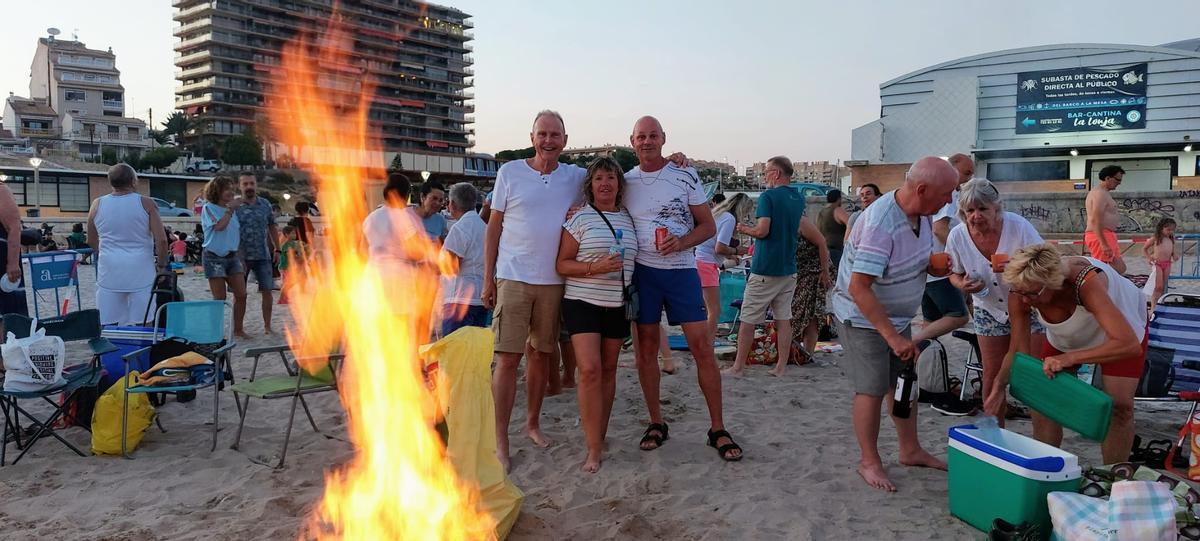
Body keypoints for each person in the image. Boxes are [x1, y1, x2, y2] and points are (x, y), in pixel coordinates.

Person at [830, 156, 957, 491]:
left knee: (902, 384)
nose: (950, 200)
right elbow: (859, 287)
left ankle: (910, 450)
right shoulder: (881, 224)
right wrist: (893, 337)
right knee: (871, 388)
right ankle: (869, 461)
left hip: (896, 317)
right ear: (922, 189)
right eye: (947, 193)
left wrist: (933, 265)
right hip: (862, 318)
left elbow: (903, 260)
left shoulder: (922, 214)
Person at [623, 115, 741, 461]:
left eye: (653, 136)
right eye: (641, 136)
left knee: (702, 347)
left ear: (663, 138)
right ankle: (656, 422)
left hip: (681, 271)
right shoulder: (625, 181)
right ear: (632, 141)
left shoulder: (684, 174)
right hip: (643, 273)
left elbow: (707, 226)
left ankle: (717, 428)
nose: (647, 141)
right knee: (646, 352)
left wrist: (681, 242)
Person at [483, 111, 587, 470]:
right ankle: (501, 438)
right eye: (542, 134)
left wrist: (675, 159)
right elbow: (493, 228)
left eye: (555, 135)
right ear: (532, 137)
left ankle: (532, 424)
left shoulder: (576, 177)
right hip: (512, 276)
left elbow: (618, 181)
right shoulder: (509, 172)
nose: (548, 140)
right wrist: (487, 279)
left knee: (542, 355)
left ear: (565, 140)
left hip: (554, 281)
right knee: (507, 359)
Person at [994, 244, 1148, 464]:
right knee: (1042, 394)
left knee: (1120, 407)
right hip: (1069, 332)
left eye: (1032, 293)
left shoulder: (1085, 283)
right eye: (1020, 292)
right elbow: (1018, 351)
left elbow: (1128, 345)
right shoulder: (1022, 289)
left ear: (1054, 282)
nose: (1025, 300)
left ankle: (1114, 474)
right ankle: (1046, 467)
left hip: (1121, 331)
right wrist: (998, 386)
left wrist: (1070, 358)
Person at [555, 157, 639, 473]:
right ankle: (592, 448)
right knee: (589, 370)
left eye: (611, 178)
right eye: (599, 178)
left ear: (619, 184)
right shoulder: (580, 218)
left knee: (609, 370)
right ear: (590, 185)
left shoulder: (629, 218)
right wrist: (594, 267)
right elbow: (562, 264)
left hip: (617, 304)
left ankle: (599, 435)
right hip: (582, 301)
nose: (605, 183)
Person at [944, 179, 1046, 420]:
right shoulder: (957, 236)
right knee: (991, 372)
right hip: (988, 308)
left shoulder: (1018, 227)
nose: (976, 216)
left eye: (983, 208)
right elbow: (953, 273)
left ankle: (1041, 430)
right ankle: (994, 432)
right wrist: (963, 285)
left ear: (996, 207)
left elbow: (1045, 265)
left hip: (1028, 305)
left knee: (1035, 371)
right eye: (970, 210)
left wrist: (1016, 267)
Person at [725, 156, 829, 377]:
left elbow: (763, 231)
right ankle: (780, 366)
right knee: (784, 319)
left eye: (766, 172)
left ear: (776, 173)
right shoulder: (797, 197)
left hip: (766, 268)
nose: (764, 176)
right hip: (788, 269)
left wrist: (745, 229)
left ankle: (738, 367)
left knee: (748, 318)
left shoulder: (768, 196)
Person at [87, 163, 168, 326]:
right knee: (144, 319)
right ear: (133, 181)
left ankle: (112, 343)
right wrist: (161, 266)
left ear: (111, 182)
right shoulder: (147, 203)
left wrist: (103, 252)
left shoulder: (97, 204)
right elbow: (162, 240)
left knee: (108, 321)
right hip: (141, 269)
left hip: (109, 268)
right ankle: (143, 342)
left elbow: (91, 239)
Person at [696, 193, 749, 343]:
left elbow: (713, 244)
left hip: (699, 261)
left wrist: (731, 255)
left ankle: (703, 341)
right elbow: (719, 248)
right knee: (714, 311)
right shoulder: (730, 219)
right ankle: (708, 344)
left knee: (705, 309)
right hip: (707, 265)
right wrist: (737, 251)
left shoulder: (719, 215)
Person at [234, 172, 279, 337]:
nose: (249, 187)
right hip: (240, 257)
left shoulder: (265, 204)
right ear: (239, 186)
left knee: (267, 291)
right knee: (240, 295)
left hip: (263, 255)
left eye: (251, 183)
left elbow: (272, 226)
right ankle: (238, 329)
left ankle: (267, 326)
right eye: (245, 184)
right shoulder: (234, 206)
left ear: (256, 185)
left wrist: (278, 249)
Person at [440, 182, 487, 336]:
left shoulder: (460, 228)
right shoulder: (484, 227)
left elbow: (452, 267)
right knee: (474, 348)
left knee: (454, 348)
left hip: (459, 300)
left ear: (452, 203)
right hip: (479, 299)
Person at [200, 176, 247, 316]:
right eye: (227, 189)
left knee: (241, 294)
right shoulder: (208, 207)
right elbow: (219, 227)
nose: (231, 192)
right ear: (217, 191)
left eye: (232, 189)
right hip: (213, 257)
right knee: (220, 298)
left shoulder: (234, 210)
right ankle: (216, 327)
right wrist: (230, 210)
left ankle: (238, 327)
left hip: (232, 256)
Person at [1085, 165, 1127, 274]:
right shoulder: (1100, 194)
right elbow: (1095, 220)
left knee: (1120, 268)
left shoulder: (1103, 193)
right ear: (1107, 178)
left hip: (1106, 235)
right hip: (1101, 236)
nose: (1119, 183)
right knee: (1103, 270)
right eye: (1117, 180)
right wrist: (1103, 243)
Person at [0, 178, 27, 317]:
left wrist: (13, 263)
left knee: (6, 313)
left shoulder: (1, 191)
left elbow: (14, 227)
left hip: (3, 261)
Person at [1143, 217, 1178, 312]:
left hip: (1167, 264)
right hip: (1157, 264)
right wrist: (1149, 257)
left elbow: (1172, 251)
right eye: (1168, 229)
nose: (1170, 232)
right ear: (1161, 228)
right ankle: (1153, 307)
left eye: (1172, 230)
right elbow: (1144, 248)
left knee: (1162, 287)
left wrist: (1174, 255)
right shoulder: (1156, 238)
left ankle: (1159, 305)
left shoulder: (1171, 239)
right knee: (1158, 287)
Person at [818, 189, 849, 272]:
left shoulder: (821, 212)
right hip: (837, 249)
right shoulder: (837, 210)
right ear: (839, 199)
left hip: (824, 249)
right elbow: (850, 224)